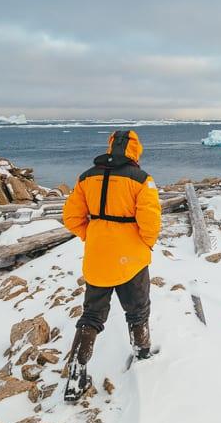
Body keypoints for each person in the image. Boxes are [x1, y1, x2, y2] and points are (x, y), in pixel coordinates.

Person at [61, 129, 161, 390]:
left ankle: (76, 372)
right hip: (132, 259)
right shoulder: (141, 179)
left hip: (97, 257)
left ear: (110, 147)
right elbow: (150, 221)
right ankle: (142, 352)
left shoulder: (86, 177)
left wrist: (92, 235)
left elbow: (71, 217)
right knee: (138, 309)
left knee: (92, 314)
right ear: (135, 150)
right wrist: (145, 244)